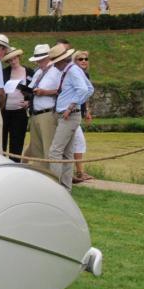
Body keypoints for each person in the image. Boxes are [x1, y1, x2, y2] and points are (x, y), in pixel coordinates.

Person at [48, 44, 94, 190]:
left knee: (55, 152)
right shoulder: (74, 70)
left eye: (55, 63)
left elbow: (84, 90)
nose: (54, 66)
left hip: (68, 116)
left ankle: (54, 187)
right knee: (67, 154)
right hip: (69, 115)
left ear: (61, 61)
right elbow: (89, 89)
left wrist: (71, 106)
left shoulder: (72, 71)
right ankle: (65, 188)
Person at [24, 43, 57, 173]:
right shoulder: (38, 72)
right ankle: (40, 174)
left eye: (41, 59)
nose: (39, 62)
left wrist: (45, 92)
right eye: (38, 60)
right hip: (34, 112)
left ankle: (52, 175)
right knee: (36, 147)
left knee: (48, 147)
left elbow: (62, 90)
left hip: (48, 112)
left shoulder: (56, 71)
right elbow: (32, 89)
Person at [0, 46, 28, 161]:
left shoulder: (29, 71)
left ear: (18, 57)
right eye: (10, 60)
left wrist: (29, 101)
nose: (13, 61)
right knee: (1, 140)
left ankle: (15, 164)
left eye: (14, 58)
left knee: (17, 141)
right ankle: (0, 164)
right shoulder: (4, 72)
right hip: (4, 111)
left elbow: (33, 90)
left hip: (20, 111)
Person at [71, 51, 95, 184]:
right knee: (79, 142)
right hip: (70, 112)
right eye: (80, 59)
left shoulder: (84, 74)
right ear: (75, 61)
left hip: (77, 112)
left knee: (77, 143)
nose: (84, 61)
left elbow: (84, 94)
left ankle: (79, 172)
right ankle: (79, 172)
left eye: (86, 59)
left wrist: (87, 111)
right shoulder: (74, 74)